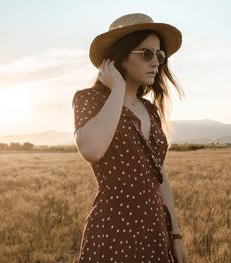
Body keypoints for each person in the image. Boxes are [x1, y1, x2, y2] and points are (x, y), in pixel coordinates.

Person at [72, 13, 188, 263]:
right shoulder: (89, 100)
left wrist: (175, 236)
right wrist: (117, 90)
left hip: (154, 229)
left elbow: (161, 175)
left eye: (159, 55)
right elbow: (91, 149)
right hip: (113, 230)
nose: (155, 62)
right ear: (120, 58)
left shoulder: (150, 110)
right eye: (146, 53)